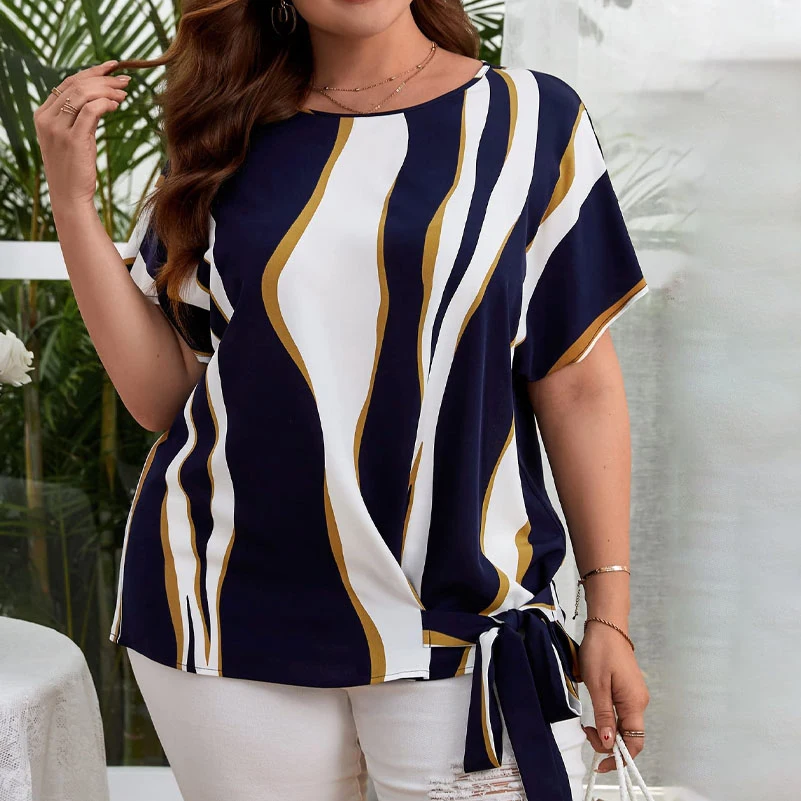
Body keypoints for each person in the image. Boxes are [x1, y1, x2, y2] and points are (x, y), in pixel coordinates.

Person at [35, 1, 651, 799]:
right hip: (226, 607)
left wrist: (608, 613)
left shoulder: (530, 119)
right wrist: (73, 204)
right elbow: (163, 395)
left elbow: (576, 383)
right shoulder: (227, 136)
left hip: (463, 617)